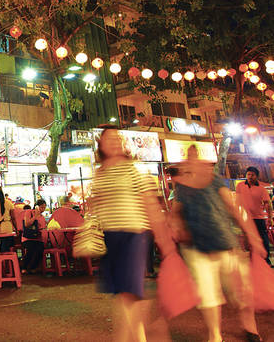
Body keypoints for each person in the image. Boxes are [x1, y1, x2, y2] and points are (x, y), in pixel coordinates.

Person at [89, 126, 173, 342]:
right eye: (109, 139)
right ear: (101, 145)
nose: (114, 142)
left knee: (130, 292)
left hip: (133, 234)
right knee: (122, 293)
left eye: (117, 139)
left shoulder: (135, 168)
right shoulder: (100, 172)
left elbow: (150, 205)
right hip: (109, 236)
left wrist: (164, 239)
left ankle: (129, 337)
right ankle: (139, 336)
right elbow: (96, 202)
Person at [173, 146, 264, 342]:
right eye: (189, 158)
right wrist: (176, 227)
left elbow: (232, 207)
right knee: (208, 296)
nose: (193, 161)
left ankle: (251, 329)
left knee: (241, 294)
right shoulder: (181, 187)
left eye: (195, 156)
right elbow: (175, 213)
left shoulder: (214, 181)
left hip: (226, 245)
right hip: (197, 249)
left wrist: (252, 235)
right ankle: (215, 336)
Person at [235, 166, 273, 265]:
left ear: (256, 176)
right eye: (248, 174)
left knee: (263, 238)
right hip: (246, 218)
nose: (250, 177)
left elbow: (267, 204)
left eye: (252, 175)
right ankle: (253, 259)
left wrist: (269, 218)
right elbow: (238, 201)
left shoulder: (261, 189)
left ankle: (266, 259)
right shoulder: (240, 186)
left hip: (259, 217)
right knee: (249, 239)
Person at [21, 200, 47, 273]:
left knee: (40, 249)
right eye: (41, 207)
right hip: (28, 238)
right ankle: (24, 267)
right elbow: (27, 224)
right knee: (31, 249)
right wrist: (35, 216)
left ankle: (33, 268)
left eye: (44, 207)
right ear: (37, 206)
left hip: (38, 238)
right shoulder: (29, 212)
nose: (43, 209)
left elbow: (43, 227)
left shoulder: (42, 217)